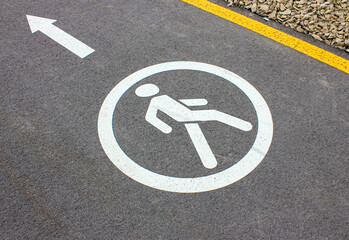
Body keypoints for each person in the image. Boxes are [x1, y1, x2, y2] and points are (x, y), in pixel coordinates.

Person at [135, 83, 252, 169]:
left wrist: (199, 102)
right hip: (187, 115)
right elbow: (151, 117)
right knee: (214, 113)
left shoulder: (163, 97)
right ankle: (243, 125)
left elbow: (181, 103)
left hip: (186, 115)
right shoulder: (155, 101)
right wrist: (165, 127)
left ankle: (209, 162)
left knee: (196, 135)